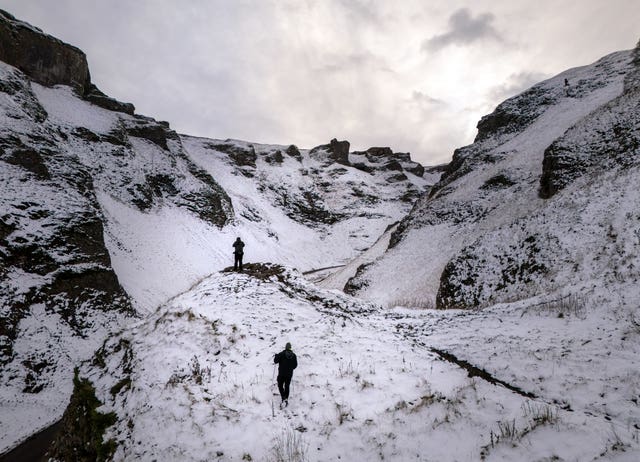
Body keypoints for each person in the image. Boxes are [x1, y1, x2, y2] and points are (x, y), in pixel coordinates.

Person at [274, 342, 297, 407]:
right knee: (287, 386)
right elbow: (295, 366)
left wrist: (276, 356)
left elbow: (275, 361)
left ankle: (283, 397)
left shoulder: (281, 354)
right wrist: (290, 368)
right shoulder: (294, 355)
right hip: (289, 374)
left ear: (285, 347)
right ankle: (286, 398)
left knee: (280, 385)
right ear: (290, 347)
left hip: (281, 373)